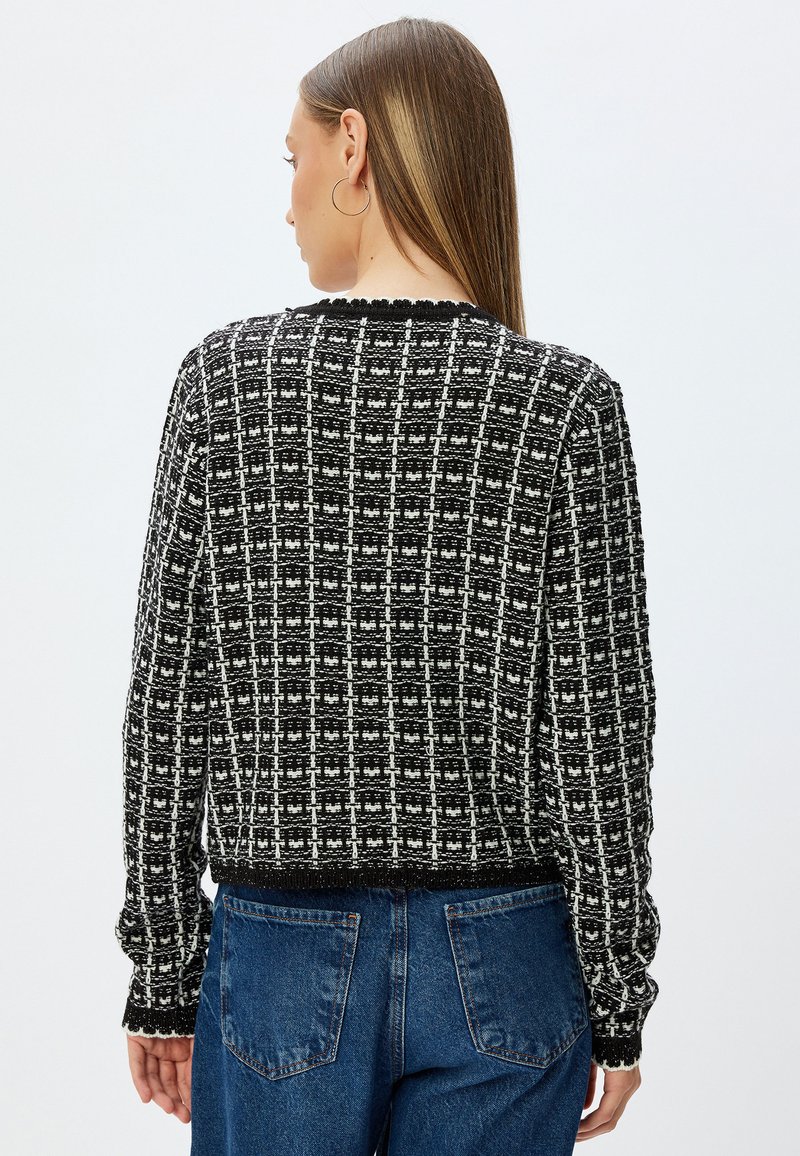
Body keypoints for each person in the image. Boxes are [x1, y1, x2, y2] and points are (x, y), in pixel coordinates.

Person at [115, 16, 661, 1155]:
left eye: (294, 157)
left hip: (280, 952)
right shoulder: (566, 406)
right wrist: (616, 995)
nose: (288, 200)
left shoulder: (225, 386)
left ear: (353, 148)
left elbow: (169, 708)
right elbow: (601, 735)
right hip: (508, 957)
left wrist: (164, 974)